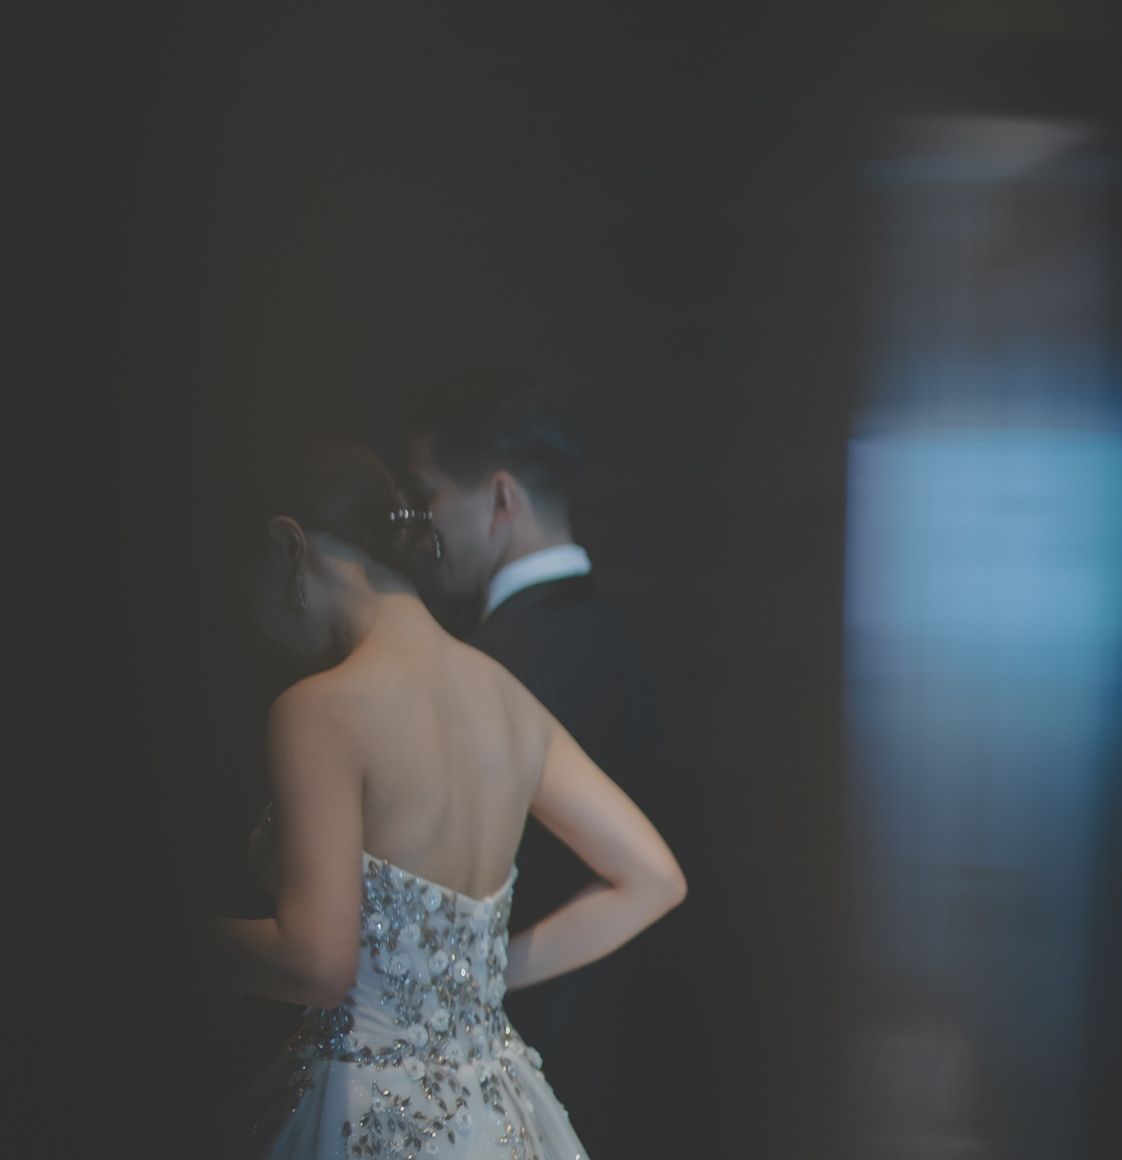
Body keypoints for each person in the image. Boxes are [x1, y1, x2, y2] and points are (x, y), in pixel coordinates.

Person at [210, 435, 686, 1160]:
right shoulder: (510, 701)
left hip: (360, 1106)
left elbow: (317, 962)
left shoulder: (321, 711)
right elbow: (654, 877)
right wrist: (482, 977)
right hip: (496, 1108)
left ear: (288, 546)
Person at [402, 372, 661, 1149]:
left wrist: (483, 971)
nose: (419, 524)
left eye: (429, 495)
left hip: (499, 1058)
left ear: (501, 499)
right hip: (613, 1050)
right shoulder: (627, 639)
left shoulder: (487, 668)